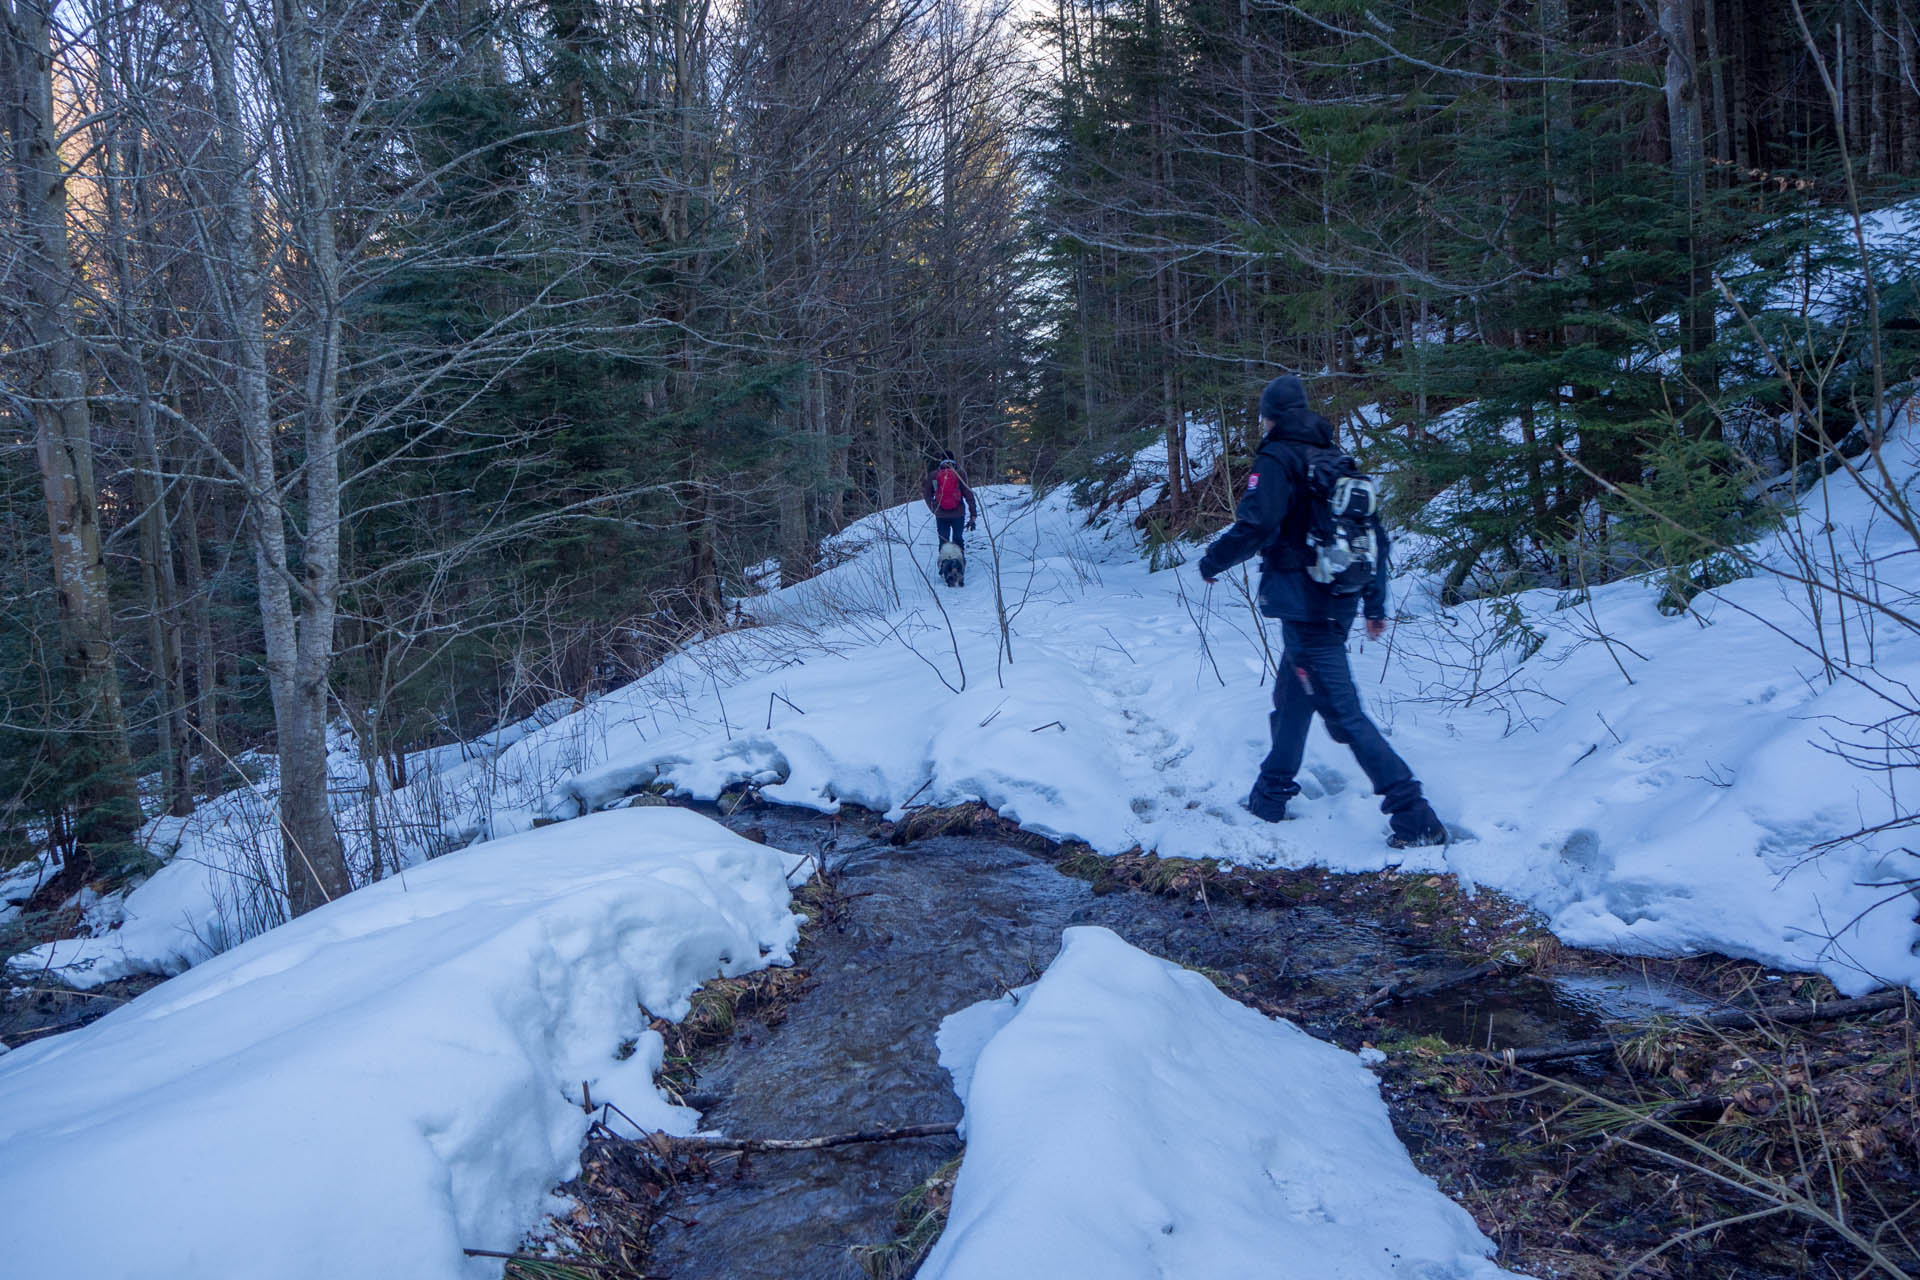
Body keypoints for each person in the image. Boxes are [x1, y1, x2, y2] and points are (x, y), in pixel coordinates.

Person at [1198, 375, 1449, 849]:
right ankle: (1269, 796)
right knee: (1293, 699)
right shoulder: (1337, 461)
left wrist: (1213, 561)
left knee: (1343, 714)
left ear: (1269, 416)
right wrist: (1374, 602)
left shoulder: (1277, 457)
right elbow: (1375, 536)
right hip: (1338, 599)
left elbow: (1259, 521)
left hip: (1304, 603)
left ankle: (1415, 815)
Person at [923, 451, 979, 549]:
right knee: (958, 539)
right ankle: (959, 562)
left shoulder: (934, 475)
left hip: (941, 514)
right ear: (953, 460)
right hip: (958, 513)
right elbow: (968, 494)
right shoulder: (960, 474)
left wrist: (934, 509)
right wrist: (973, 513)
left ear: (941, 460)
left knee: (943, 541)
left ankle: (944, 563)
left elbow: (927, 495)